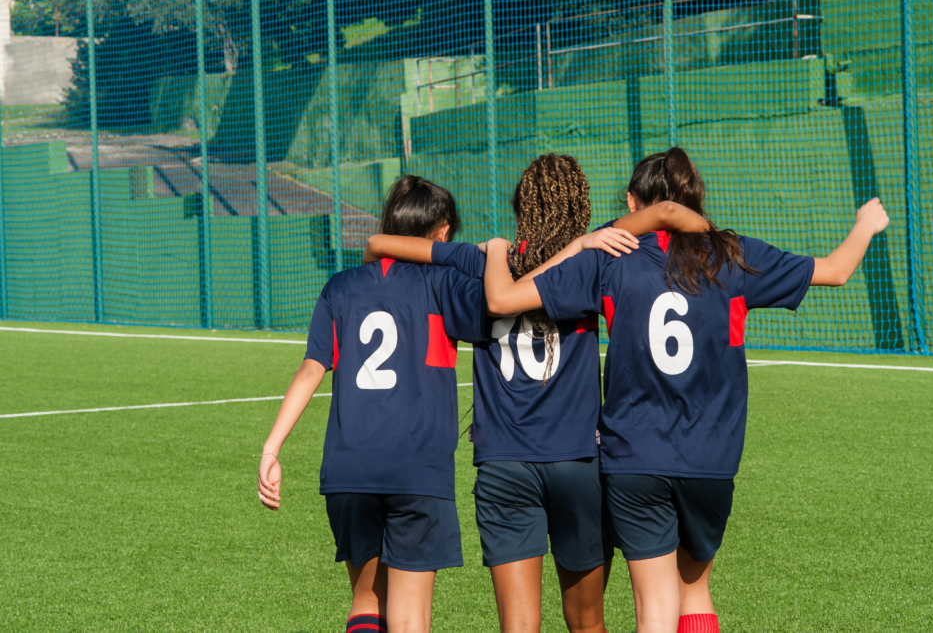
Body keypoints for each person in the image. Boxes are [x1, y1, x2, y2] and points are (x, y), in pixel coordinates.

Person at [481, 148, 891, 633]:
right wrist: (866, 224)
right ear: (698, 198)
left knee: (654, 605)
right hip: (710, 457)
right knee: (694, 589)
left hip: (633, 457)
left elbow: (505, 299)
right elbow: (837, 270)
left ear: (633, 202)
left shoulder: (611, 256)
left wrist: (578, 242)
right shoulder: (732, 254)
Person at [362, 153, 708, 633]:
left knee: (519, 626)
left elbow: (380, 243)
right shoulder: (594, 261)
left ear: (520, 206)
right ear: (581, 208)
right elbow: (664, 213)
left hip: (503, 466)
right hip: (577, 462)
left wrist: (480, 250)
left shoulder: (484, 261)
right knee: (587, 622)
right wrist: (592, 240)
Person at [257, 175, 488, 633]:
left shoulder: (340, 288)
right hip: (417, 468)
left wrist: (271, 448)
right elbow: (495, 298)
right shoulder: (443, 284)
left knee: (365, 602)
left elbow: (310, 369)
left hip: (349, 470)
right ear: (441, 232)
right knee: (409, 618)